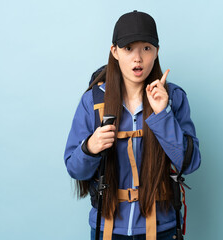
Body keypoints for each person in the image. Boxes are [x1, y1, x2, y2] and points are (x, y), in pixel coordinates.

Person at [64, 10, 201, 240]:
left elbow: (191, 162)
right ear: (114, 51)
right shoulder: (93, 101)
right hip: (107, 229)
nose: (138, 58)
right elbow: (75, 169)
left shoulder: (174, 97)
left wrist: (162, 114)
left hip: (161, 229)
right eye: (129, 48)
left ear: (157, 52)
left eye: (146, 48)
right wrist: (90, 147)